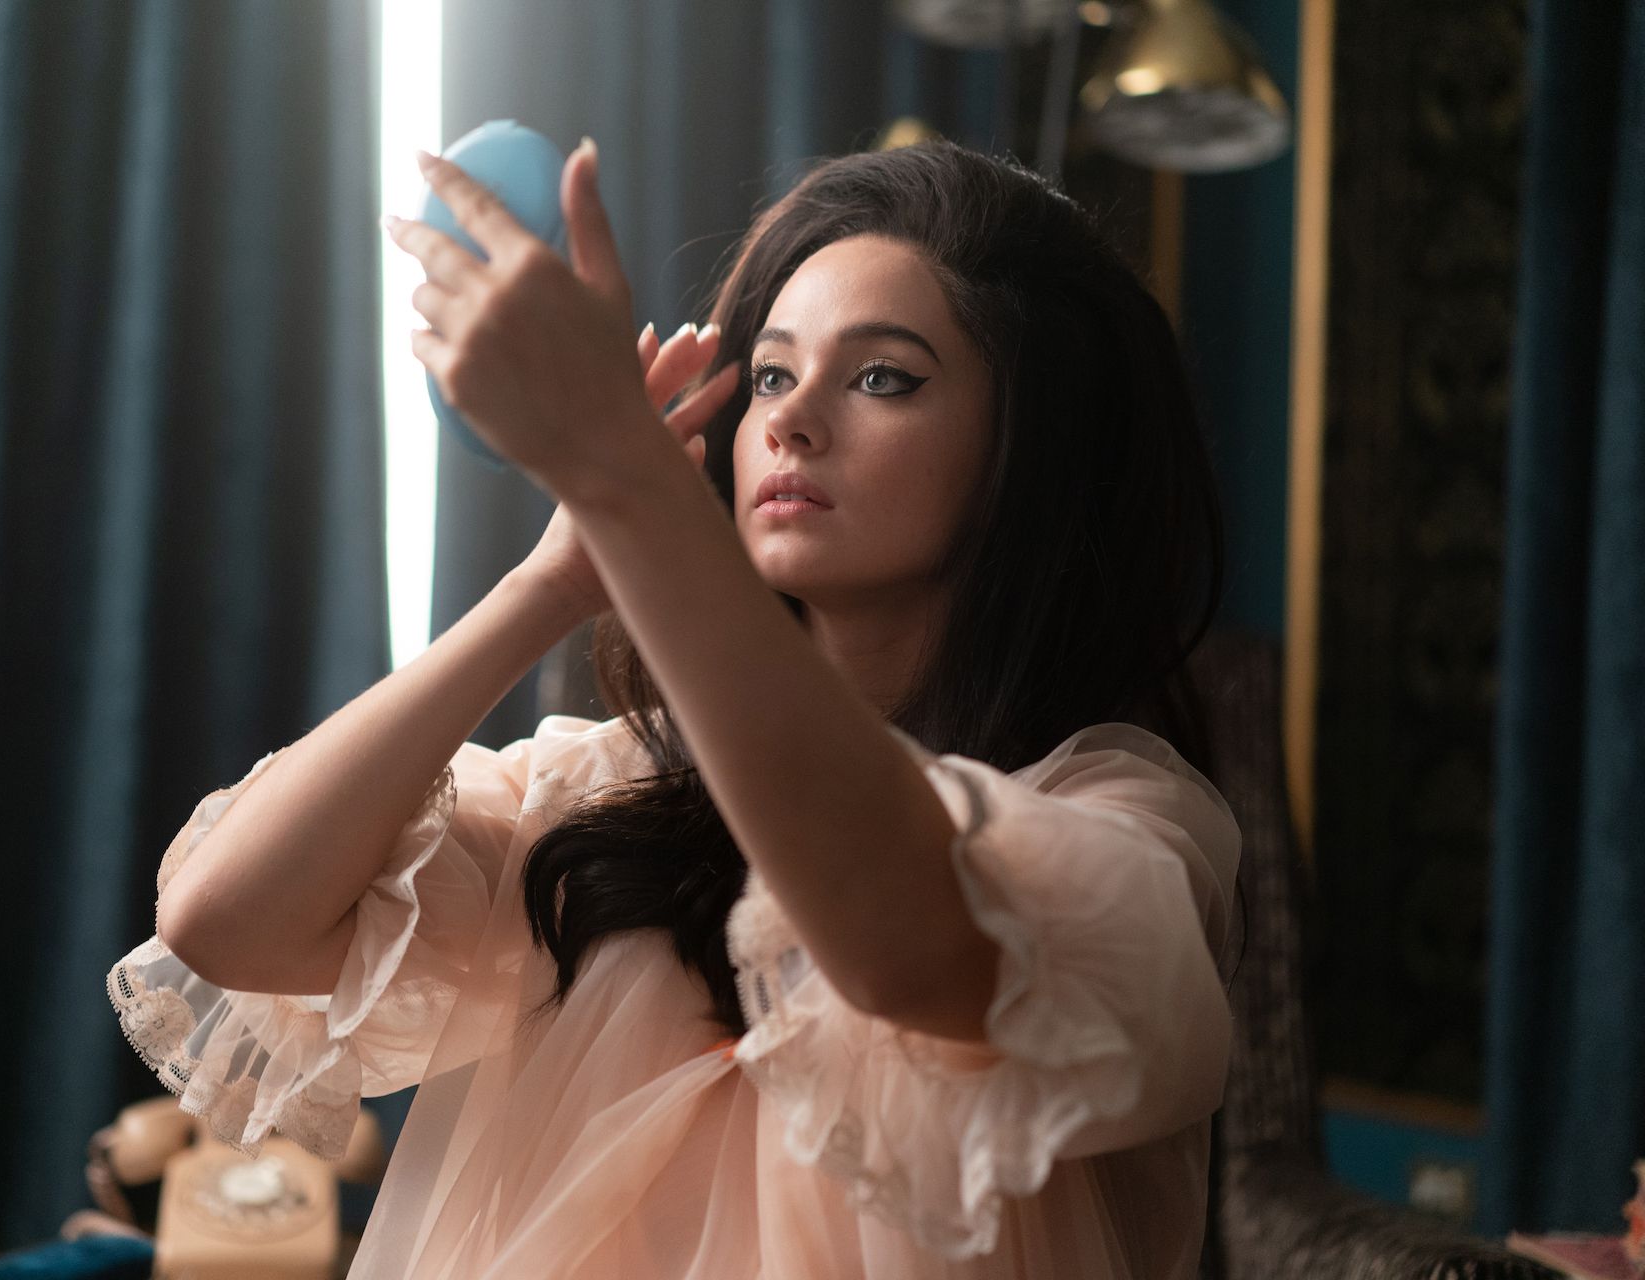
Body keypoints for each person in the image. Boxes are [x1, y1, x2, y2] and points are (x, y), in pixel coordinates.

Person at [105, 136, 1246, 1279]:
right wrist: (551, 578)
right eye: (769, 375)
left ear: (1028, 449)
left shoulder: (1121, 828)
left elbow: (904, 944)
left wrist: (622, 479)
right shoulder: (603, 798)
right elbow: (223, 920)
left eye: (883, 375)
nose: (792, 422)